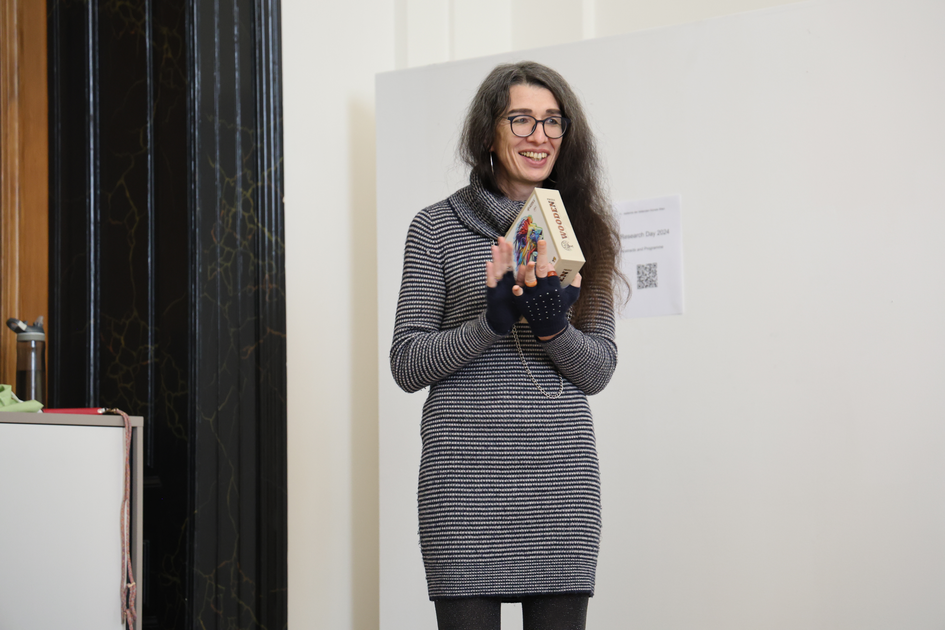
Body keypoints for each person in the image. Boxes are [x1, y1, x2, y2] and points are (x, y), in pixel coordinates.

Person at [390, 61, 625, 630]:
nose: (539, 136)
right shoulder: (436, 227)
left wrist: (552, 330)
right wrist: (489, 323)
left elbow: (598, 369)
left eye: (552, 122)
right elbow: (406, 362)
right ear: (488, 132)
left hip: (559, 479)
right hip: (463, 483)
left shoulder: (582, 229)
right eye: (521, 120)